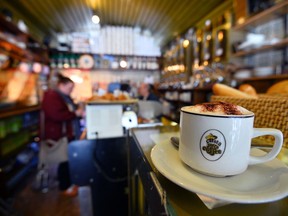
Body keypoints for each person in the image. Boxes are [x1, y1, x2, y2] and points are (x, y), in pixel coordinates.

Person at [41, 74, 85, 196]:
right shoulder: (52, 96)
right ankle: (65, 186)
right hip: (59, 134)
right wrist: (75, 114)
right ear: (61, 85)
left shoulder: (62, 96)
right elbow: (57, 115)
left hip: (66, 133)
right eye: (70, 87)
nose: (71, 90)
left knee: (66, 160)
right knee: (63, 160)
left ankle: (68, 184)